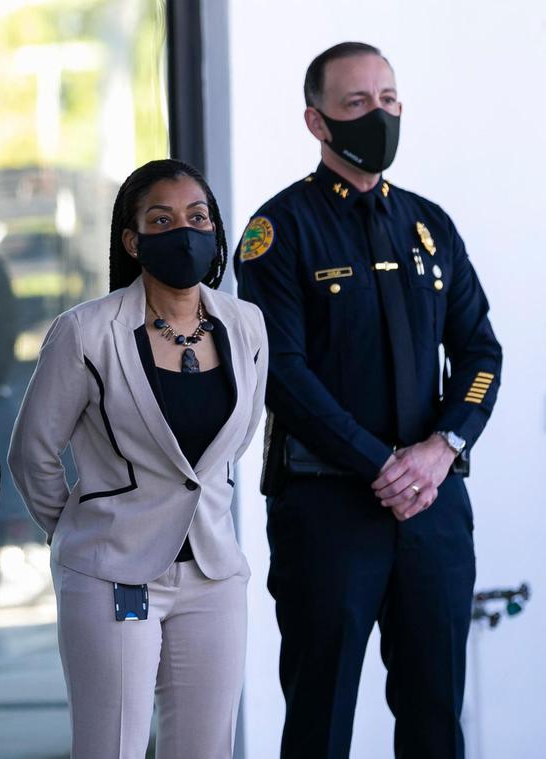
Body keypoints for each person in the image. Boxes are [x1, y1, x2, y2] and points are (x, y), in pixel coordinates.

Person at [234, 42, 502, 758]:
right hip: (328, 513)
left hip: (433, 509)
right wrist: (381, 463)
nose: (376, 116)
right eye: (356, 104)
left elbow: (481, 352)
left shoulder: (429, 225)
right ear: (316, 122)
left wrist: (441, 448)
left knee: (436, 720)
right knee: (320, 725)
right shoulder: (276, 231)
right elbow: (282, 373)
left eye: (388, 101)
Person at [8, 159, 268, 758]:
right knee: (112, 748)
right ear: (132, 240)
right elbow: (33, 455)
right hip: (113, 573)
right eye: (162, 219)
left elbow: (238, 437)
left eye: (197, 217)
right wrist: (87, 528)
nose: (185, 231)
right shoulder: (85, 332)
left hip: (212, 573)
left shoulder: (246, 324)